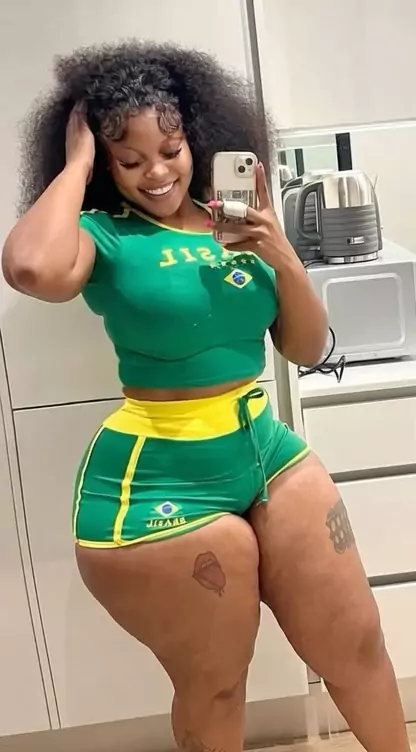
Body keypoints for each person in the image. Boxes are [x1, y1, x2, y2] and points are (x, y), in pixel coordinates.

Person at [2, 41, 408, 752]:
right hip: (159, 473)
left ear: (196, 137)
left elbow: (306, 347)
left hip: (263, 448)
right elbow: (31, 268)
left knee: (357, 643)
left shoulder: (239, 224)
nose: (158, 172)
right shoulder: (104, 235)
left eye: (170, 150)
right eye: (131, 160)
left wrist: (280, 252)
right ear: (107, 166)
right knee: (216, 684)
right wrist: (76, 164)